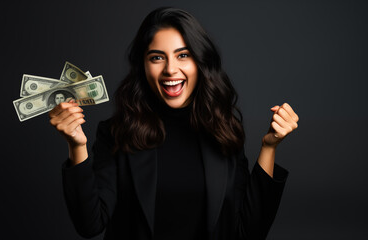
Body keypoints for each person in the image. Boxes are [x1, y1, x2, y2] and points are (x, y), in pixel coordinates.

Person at [49, 7, 299, 240]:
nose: (171, 69)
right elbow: (90, 225)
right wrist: (76, 146)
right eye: (157, 57)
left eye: (183, 55)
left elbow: (249, 232)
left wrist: (269, 147)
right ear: (143, 66)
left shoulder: (224, 131)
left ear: (200, 63)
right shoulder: (116, 133)